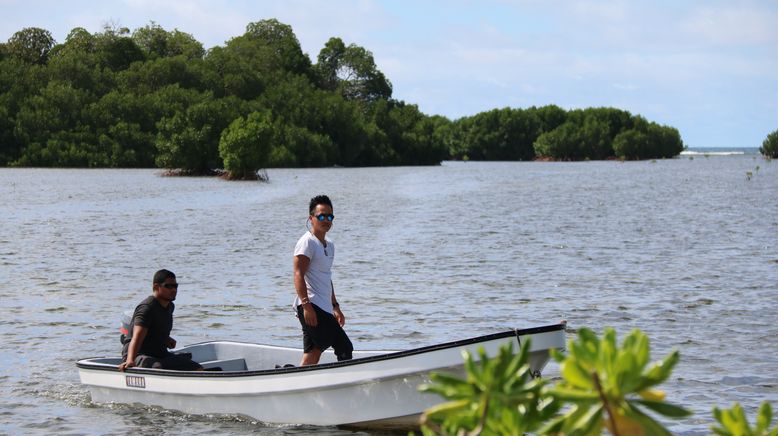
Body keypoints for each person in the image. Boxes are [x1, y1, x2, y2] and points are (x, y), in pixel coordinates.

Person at [293, 195, 353, 365]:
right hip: (311, 305)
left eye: (329, 216)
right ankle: (342, 381)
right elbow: (298, 274)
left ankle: (299, 382)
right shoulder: (307, 243)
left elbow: (326, 277)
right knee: (343, 346)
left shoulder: (329, 245)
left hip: (325, 307)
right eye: (321, 216)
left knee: (314, 350)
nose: (326, 220)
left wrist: (335, 306)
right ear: (311, 219)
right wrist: (306, 306)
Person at [118, 269, 203, 371]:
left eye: (175, 286)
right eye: (169, 286)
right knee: (158, 367)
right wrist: (130, 360)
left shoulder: (170, 306)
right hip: (137, 355)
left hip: (158, 354)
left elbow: (155, 330)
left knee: (196, 367)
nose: (174, 290)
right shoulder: (147, 308)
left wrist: (166, 339)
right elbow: (136, 338)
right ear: (156, 287)